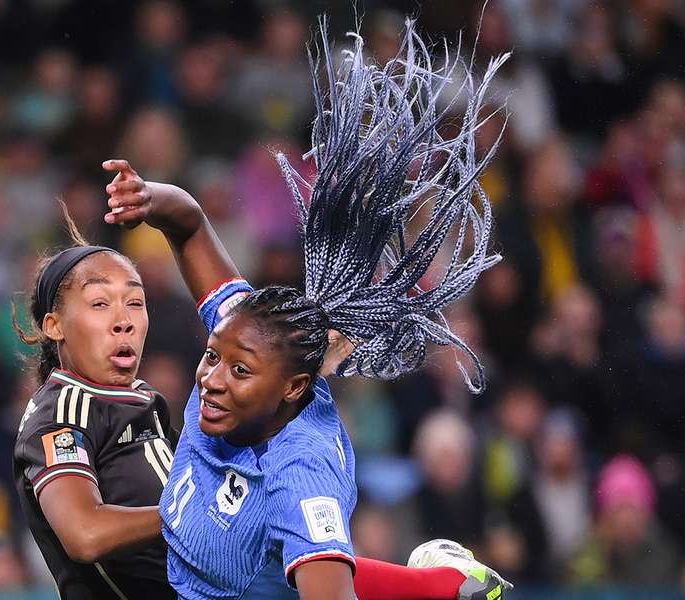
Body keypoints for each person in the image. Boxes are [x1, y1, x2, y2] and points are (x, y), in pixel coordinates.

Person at [101, 15, 511, 600]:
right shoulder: (247, 329)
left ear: (292, 388)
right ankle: (446, 585)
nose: (211, 380)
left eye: (238, 371)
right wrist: (151, 198)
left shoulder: (301, 474)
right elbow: (190, 223)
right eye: (213, 357)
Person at [11, 211, 179, 599]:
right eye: (101, 304)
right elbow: (85, 534)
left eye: (135, 302)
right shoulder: (60, 417)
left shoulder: (147, 401)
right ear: (55, 326)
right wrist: (187, 512)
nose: (124, 321)